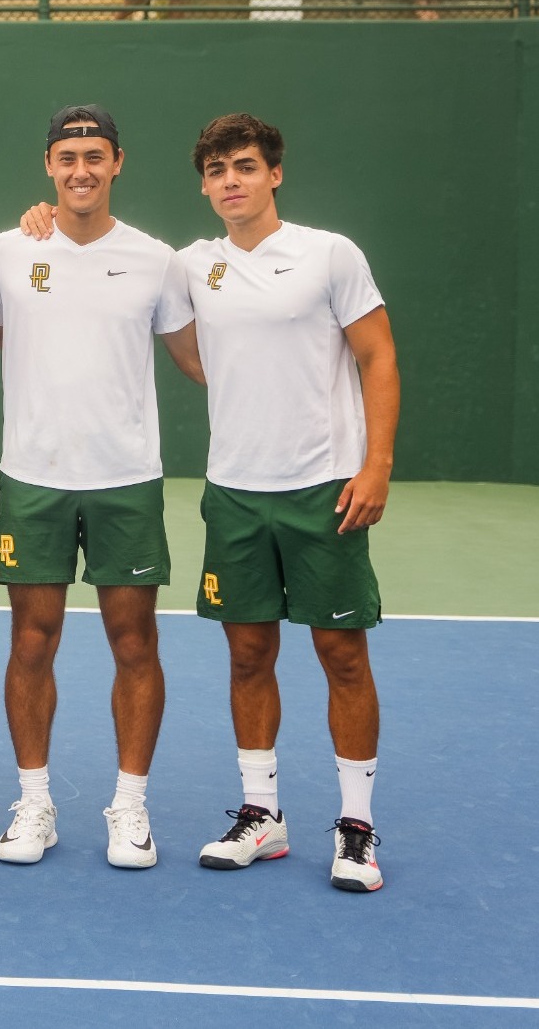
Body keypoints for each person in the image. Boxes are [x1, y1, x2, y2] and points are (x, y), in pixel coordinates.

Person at [180, 113, 398, 892]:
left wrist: (375, 464)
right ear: (204, 185)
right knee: (248, 654)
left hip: (324, 490)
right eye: (215, 171)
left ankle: (357, 828)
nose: (229, 181)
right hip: (235, 494)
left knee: (341, 655)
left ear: (274, 174)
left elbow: (377, 355)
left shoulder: (329, 254)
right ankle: (261, 816)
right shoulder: (190, 266)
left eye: (243, 166)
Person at [0, 105, 203, 869]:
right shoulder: (8, 252)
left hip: (127, 482)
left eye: (95, 156)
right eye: (67, 156)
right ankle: (35, 803)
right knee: (31, 642)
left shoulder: (158, 259)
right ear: (49, 165)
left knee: (134, 643)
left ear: (118, 163)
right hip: (33, 481)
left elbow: (200, 361)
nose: (81, 169)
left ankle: (130, 808)